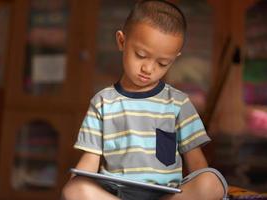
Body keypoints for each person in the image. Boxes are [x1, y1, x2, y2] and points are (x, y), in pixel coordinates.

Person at [62, 0, 228, 199]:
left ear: (174, 59)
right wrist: (75, 184)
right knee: (74, 189)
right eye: (141, 55)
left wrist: (201, 188)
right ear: (122, 41)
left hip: (165, 196)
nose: (148, 69)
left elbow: (197, 164)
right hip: (115, 194)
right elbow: (90, 158)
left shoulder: (178, 103)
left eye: (162, 63)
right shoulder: (102, 102)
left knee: (211, 182)